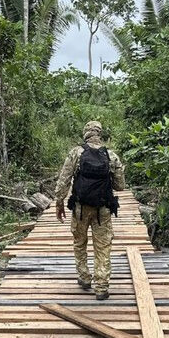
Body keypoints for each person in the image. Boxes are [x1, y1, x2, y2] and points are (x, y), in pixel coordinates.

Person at [54, 121, 125, 300]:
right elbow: (120, 186)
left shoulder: (75, 153)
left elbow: (64, 180)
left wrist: (59, 202)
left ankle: (84, 278)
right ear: (100, 134)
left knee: (80, 242)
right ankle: (101, 287)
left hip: (80, 208)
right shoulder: (111, 155)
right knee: (103, 247)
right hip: (103, 210)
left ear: (85, 133)